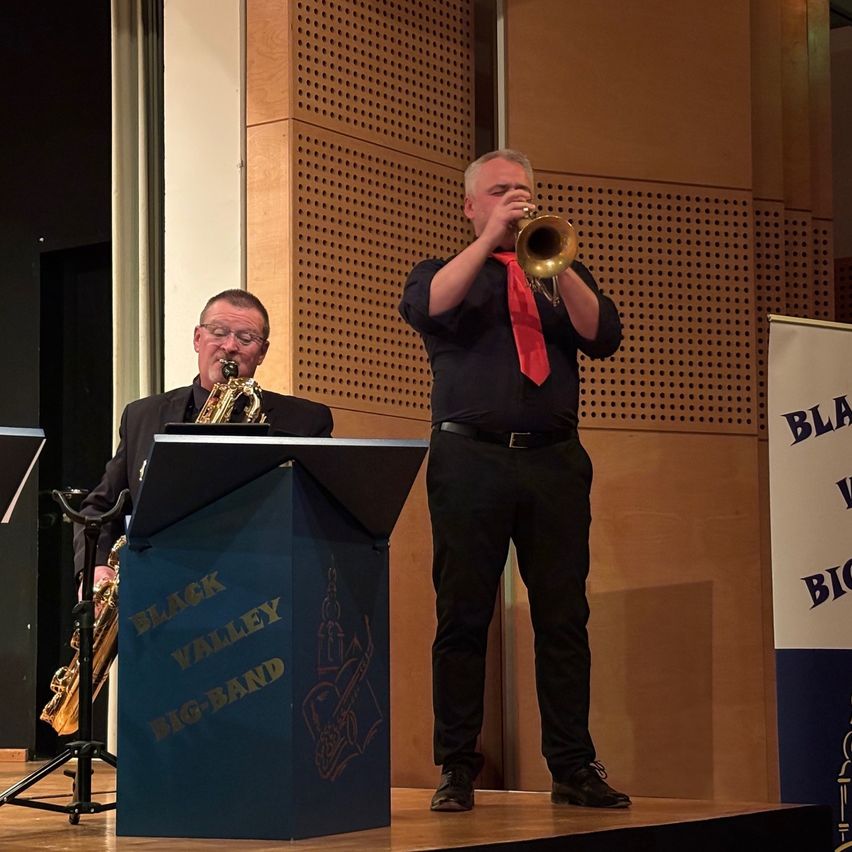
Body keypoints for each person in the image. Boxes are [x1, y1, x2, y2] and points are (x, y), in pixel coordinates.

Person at [399, 149, 629, 812]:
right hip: (470, 460)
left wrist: (552, 267)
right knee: (463, 615)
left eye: (524, 192)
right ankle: (457, 766)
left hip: (554, 460)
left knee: (564, 618)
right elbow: (427, 308)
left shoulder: (559, 271)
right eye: (500, 192)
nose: (515, 202)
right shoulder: (445, 274)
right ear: (471, 205)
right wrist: (490, 243)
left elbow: (602, 334)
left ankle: (573, 765)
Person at [74, 288, 333, 582]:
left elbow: (325, 514)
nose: (230, 346)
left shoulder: (306, 421)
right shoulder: (142, 415)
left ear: (262, 353)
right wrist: (94, 567)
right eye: (219, 332)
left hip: (264, 590)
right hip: (159, 589)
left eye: (246, 339)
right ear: (198, 339)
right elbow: (100, 508)